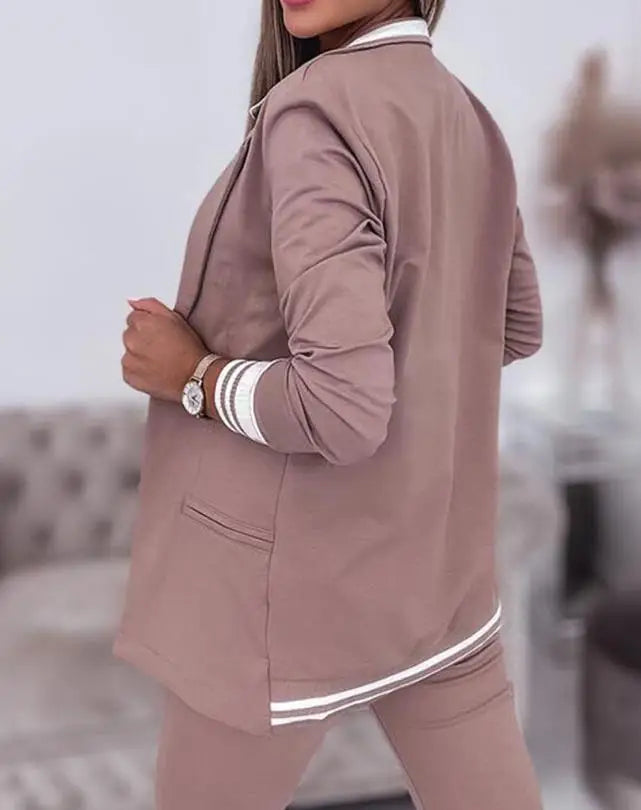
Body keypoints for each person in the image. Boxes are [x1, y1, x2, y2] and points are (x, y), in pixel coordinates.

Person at [114, 1, 544, 807]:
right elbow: (513, 327)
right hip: (437, 584)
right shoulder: (465, 114)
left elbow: (342, 411)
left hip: (280, 610)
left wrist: (193, 375)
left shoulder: (312, 113)